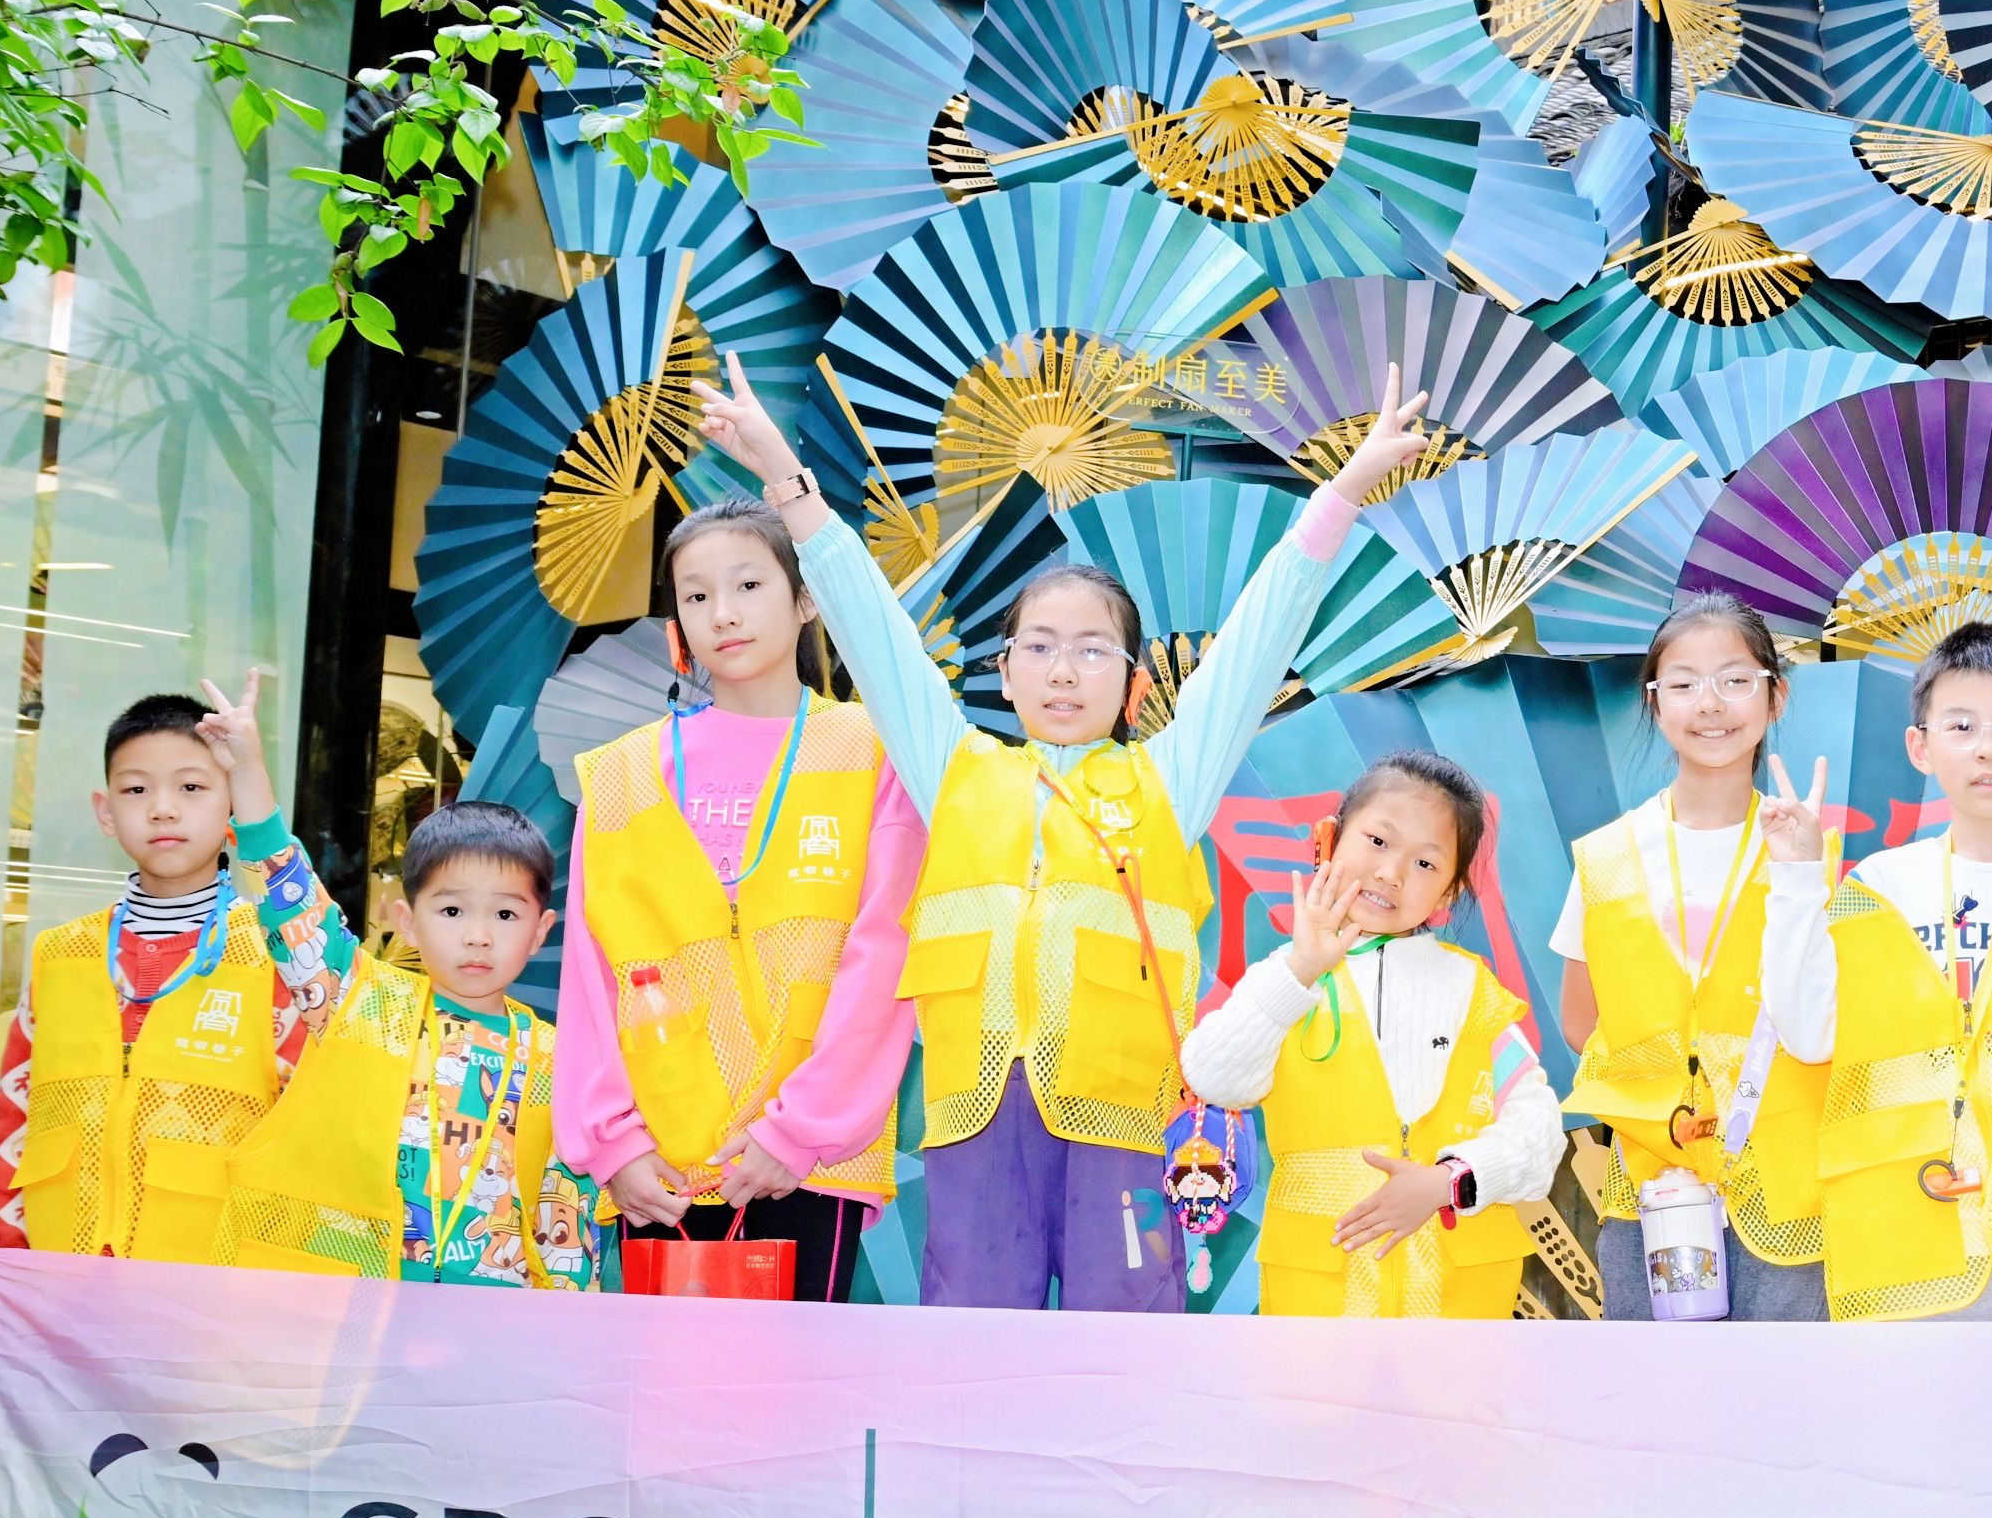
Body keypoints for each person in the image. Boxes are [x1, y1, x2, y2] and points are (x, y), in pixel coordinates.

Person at [700, 355, 1434, 1310]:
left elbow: (1256, 646)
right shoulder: (952, 766)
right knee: (972, 1350)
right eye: (1038, 649)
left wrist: (1341, 494)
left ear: (1134, 686)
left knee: (1127, 1342)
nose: (1061, 672)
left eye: (1092, 651)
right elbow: (872, 630)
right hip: (972, 1118)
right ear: (1002, 674)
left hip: (1128, 1121)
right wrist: (784, 480)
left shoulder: (1170, 779)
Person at [556, 493, 922, 1302]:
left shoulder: (871, 753)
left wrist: (800, 1130)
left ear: (805, 600)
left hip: (810, 1161)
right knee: (657, 1384)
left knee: (791, 1382)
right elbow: (589, 970)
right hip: (658, 1165)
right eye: (697, 595)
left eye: (749, 585)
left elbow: (886, 955)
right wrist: (612, 1143)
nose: (723, 612)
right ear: (677, 626)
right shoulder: (621, 773)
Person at [1759, 622, 1992, 1323]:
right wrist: (1798, 876)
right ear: (1921, 747)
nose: (1989, 747)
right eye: (1961, 726)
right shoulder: (1876, 886)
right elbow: (1808, 1034)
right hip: (1900, 1238)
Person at [1178, 752, 1565, 1316]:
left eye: (1426, 863)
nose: (1391, 873)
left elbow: (1540, 1130)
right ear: (1330, 840)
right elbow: (1213, 1077)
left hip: (1459, 1308)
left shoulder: (1475, 994)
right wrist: (1301, 970)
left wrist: (1449, 1182)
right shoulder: (1286, 977)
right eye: (1378, 841)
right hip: (1320, 1300)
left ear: (1450, 891)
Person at [0, 679, 334, 1270]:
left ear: (231, 806)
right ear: (106, 812)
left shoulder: (276, 955)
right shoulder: (60, 954)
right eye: (137, 789)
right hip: (62, 1272)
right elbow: (15, 1121)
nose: (163, 808)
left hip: (210, 1283)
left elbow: (307, 1130)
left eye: (192, 787)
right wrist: (4, 1264)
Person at [1553, 598, 1821, 1320]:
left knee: (1785, 1386)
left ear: (1775, 696)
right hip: (1653, 1188)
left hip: (1784, 1192)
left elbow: (1830, 1022)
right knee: (1650, 1389)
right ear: (1654, 701)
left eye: (1735, 680)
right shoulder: (1607, 855)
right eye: (1683, 683)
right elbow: (1581, 1023)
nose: (1710, 704)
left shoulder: (1807, 852)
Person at [222, 786, 600, 1288]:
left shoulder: (560, 1059)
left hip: (492, 1311)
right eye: (452, 911)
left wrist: (560, 1320)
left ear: (540, 930)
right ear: (408, 923)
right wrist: (248, 777)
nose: (478, 936)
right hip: (351, 1294)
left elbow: (568, 1219)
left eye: (506, 914)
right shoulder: (361, 1002)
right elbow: (295, 911)